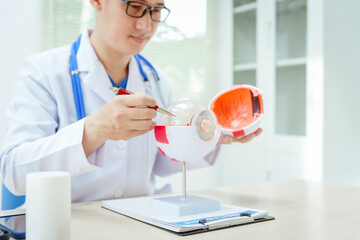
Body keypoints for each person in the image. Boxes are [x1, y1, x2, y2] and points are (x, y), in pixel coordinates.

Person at [0, 0, 262, 204]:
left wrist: (212, 135)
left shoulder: (155, 80)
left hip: (140, 222)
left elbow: (162, 161)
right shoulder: (44, 72)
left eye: (156, 11)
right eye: (135, 7)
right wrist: (94, 130)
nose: (146, 26)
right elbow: (14, 172)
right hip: (71, 226)